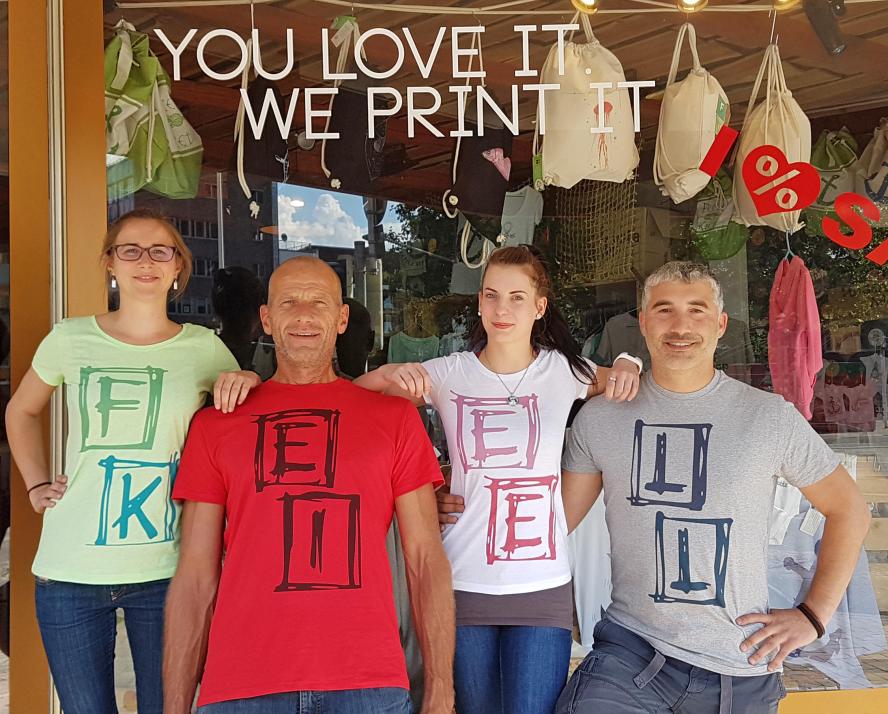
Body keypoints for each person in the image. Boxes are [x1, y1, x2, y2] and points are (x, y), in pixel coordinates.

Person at [554, 262, 871, 713]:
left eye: (697, 310)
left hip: (740, 665)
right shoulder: (601, 418)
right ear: (642, 323)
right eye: (664, 310)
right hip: (632, 652)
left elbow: (849, 510)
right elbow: (551, 526)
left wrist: (813, 617)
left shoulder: (769, 417)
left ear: (720, 324)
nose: (680, 325)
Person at [354, 245, 642, 714]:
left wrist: (631, 359)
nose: (502, 309)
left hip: (542, 583)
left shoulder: (563, 371)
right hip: (463, 581)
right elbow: (355, 403)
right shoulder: (448, 373)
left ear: (539, 306)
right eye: (491, 296)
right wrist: (388, 373)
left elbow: (624, 380)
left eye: (516, 297)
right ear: (480, 303)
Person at [163, 256, 455, 714]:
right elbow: (195, 577)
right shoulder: (216, 425)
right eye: (288, 302)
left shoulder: (394, 419)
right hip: (240, 687)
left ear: (341, 319)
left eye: (318, 302)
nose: (302, 315)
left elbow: (425, 560)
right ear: (266, 318)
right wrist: (174, 705)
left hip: (368, 684)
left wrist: (441, 688)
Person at [4, 209, 259, 714]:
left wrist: (249, 381)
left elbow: (249, 417)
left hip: (169, 569)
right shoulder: (70, 338)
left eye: (160, 251)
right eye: (130, 250)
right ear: (110, 263)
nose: (146, 261)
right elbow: (21, 410)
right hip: (70, 570)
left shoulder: (204, 348)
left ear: (178, 269)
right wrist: (36, 485)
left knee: (169, 707)